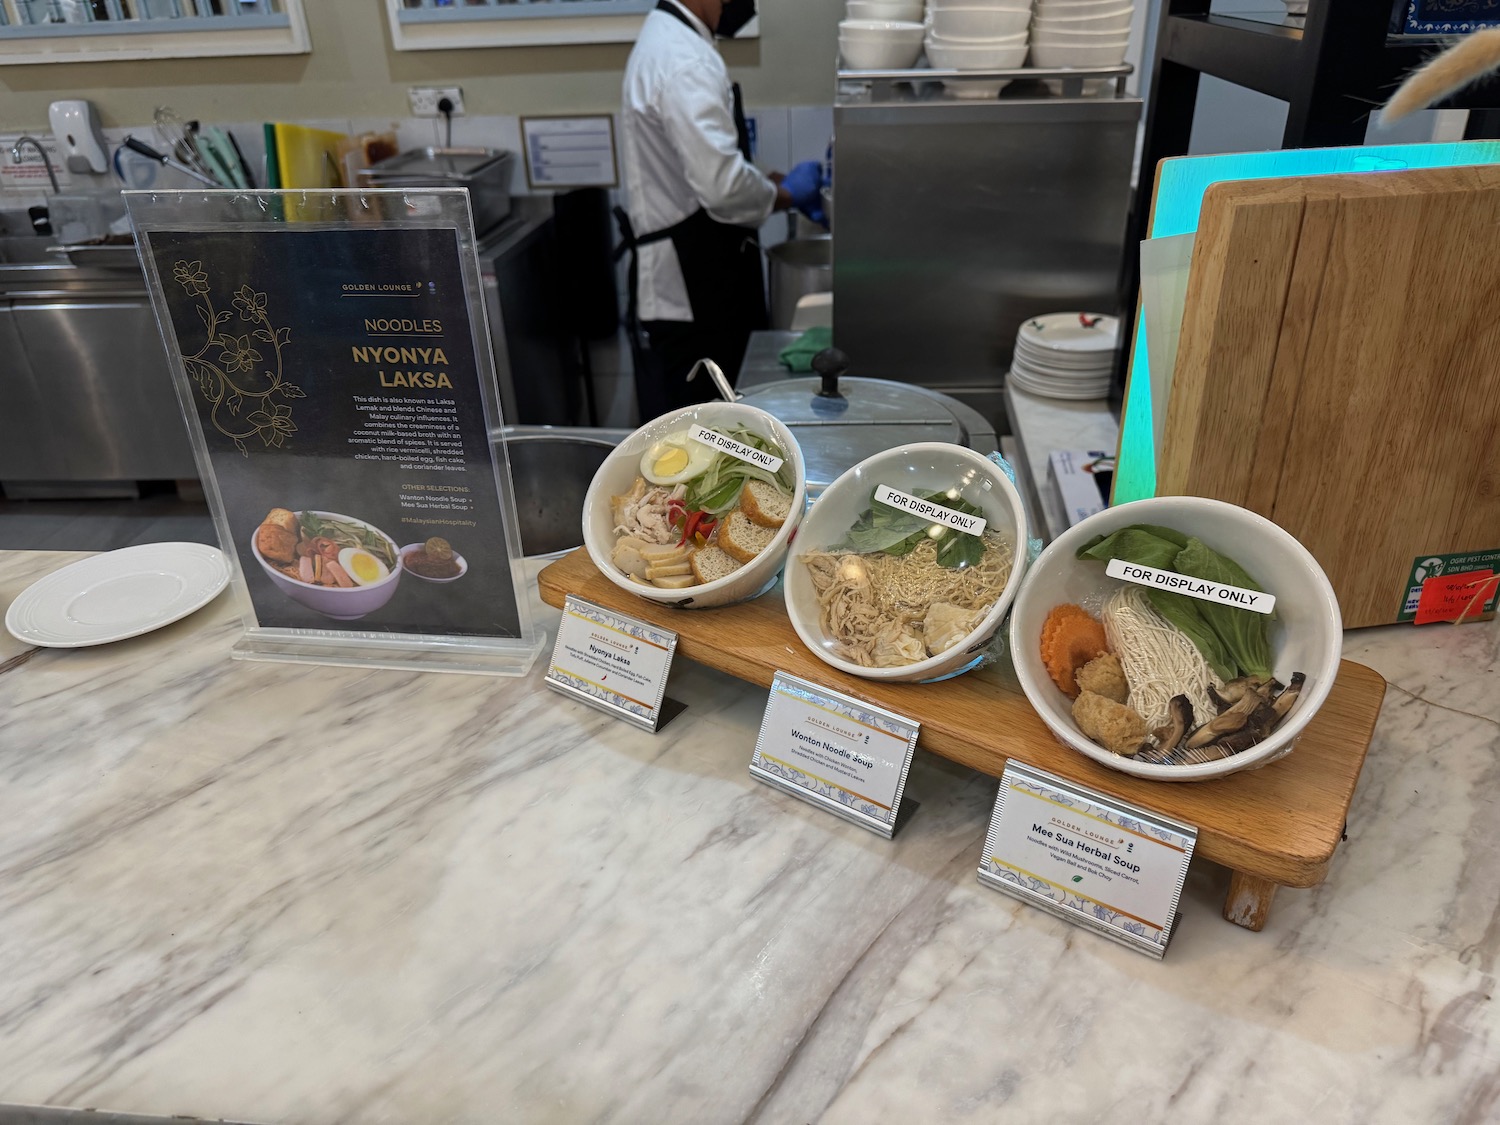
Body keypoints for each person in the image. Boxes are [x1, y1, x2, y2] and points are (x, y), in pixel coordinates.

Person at [618, 0, 826, 420]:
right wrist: (785, 195)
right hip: (693, 288)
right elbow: (721, 186)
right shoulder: (684, 60)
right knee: (703, 426)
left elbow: (703, 162)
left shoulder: (671, 41)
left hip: (696, 274)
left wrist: (771, 179)